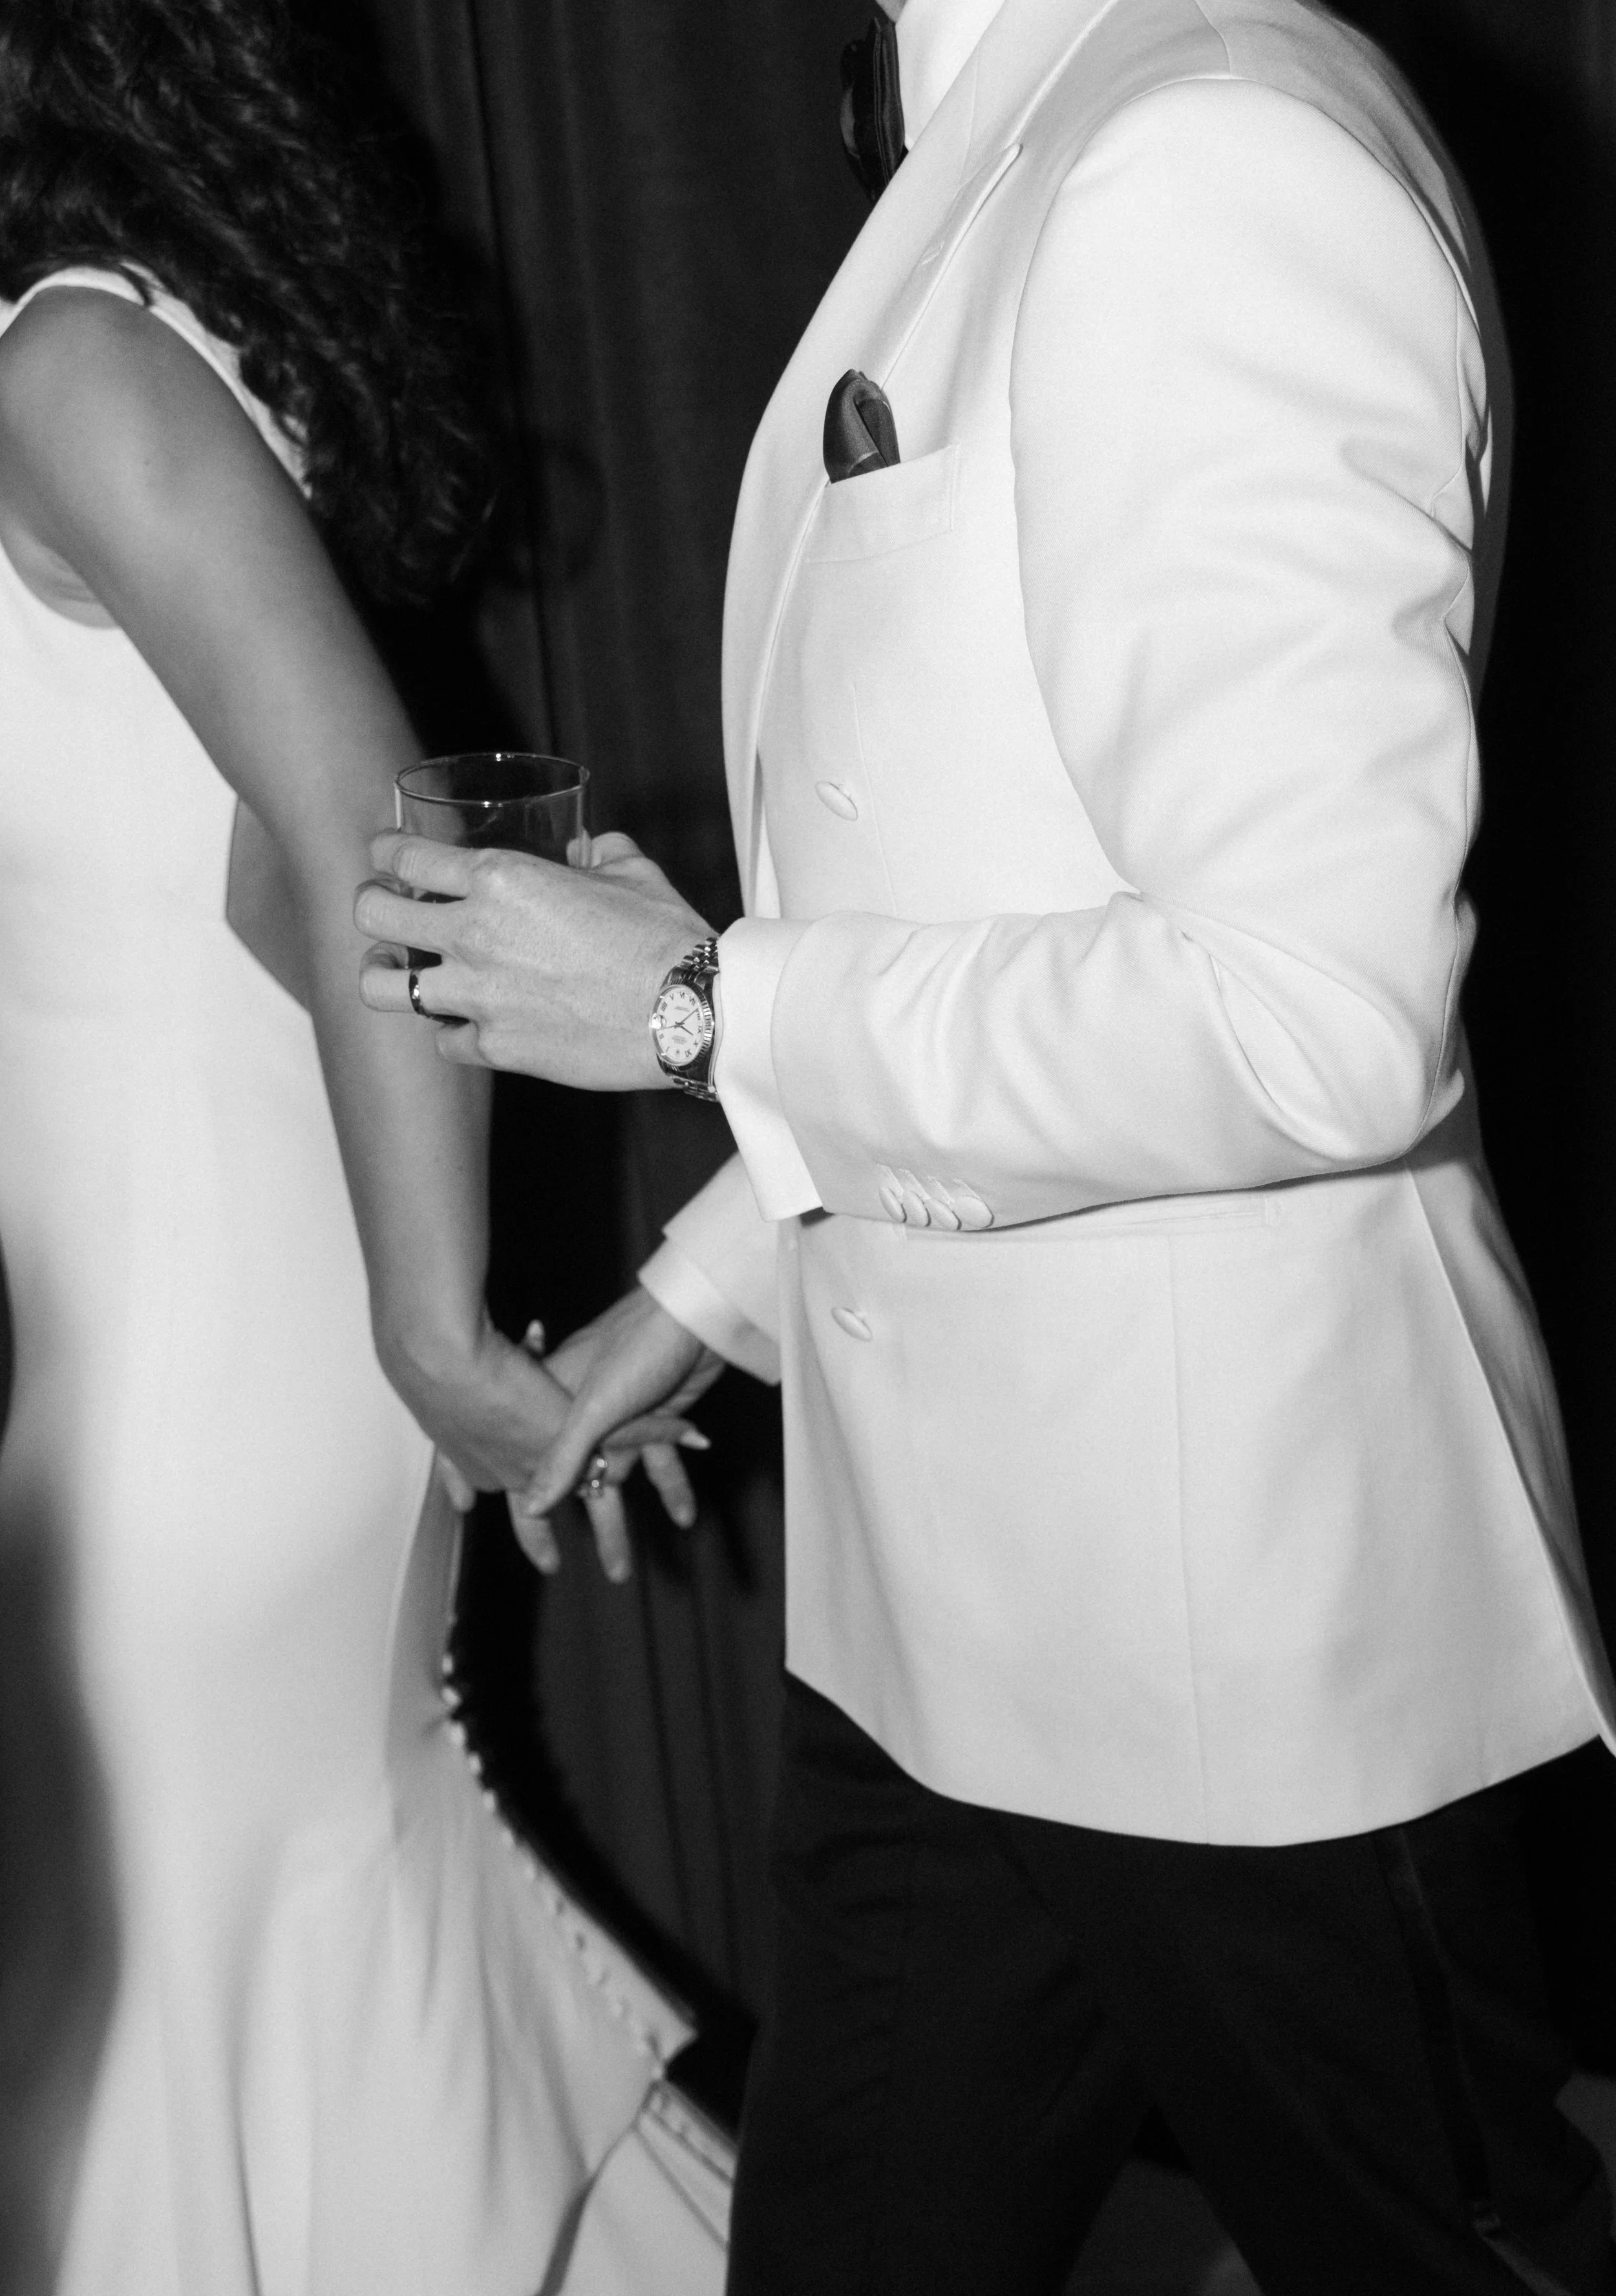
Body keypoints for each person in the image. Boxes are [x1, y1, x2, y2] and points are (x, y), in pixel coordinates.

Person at [357, 0, 1616, 2287]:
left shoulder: (1209, 145)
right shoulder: (1037, 111)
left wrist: (695, 1007)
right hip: (934, 1640)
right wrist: (685, 1307)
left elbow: (1310, 1018)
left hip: (1245, 1646)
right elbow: (983, 891)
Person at [0, 2, 719, 2288]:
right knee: (263, 1981)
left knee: (175, 2021)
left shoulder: (71, 365)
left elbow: (368, 849)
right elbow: (246, 887)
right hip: (183, 1342)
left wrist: (436, 1337)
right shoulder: (100, 352)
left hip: (183, 1392)